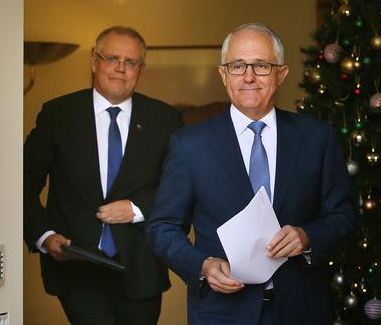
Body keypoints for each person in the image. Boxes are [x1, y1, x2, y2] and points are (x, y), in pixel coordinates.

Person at [146, 23, 357, 325]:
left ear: (281, 74)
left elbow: (344, 217)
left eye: (261, 65)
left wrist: (307, 236)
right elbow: (162, 227)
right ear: (223, 74)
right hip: (221, 314)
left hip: (301, 310)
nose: (248, 76)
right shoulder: (190, 145)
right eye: (237, 66)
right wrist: (202, 265)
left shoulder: (316, 138)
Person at [24, 26, 183, 325]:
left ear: (141, 69)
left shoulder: (165, 119)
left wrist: (137, 209)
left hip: (141, 269)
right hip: (76, 265)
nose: (120, 69)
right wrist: (44, 236)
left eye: (131, 62)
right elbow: (22, 181)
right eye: (112, 58)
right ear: (94, 61)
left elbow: (180, 189)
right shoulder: (58, 114)